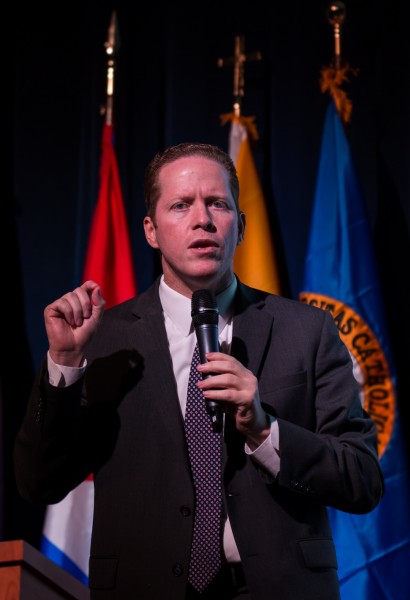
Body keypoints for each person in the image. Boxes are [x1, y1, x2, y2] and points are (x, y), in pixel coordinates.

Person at [14, 142, 384, 600]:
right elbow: (39, 482)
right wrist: (65, 364)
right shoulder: (104, 340)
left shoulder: (306, 330)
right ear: (151, 230)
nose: (203, 219)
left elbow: (363, 478)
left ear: (240, 226)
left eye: (218, 204)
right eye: (181, 205)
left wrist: (266, 431)